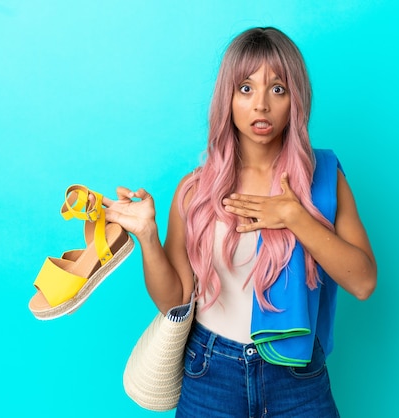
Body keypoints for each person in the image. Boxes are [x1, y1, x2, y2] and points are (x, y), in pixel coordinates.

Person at [103, 26, 376, 418]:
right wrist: (148, 237)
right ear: (227, 99)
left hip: (297, 377)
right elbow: (175, 301)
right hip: (210, 371)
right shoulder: (195, 190)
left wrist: (294, 216)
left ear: (295, 99)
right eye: (246, 88)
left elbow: (364, 282)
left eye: (277, 89)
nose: (261, 105)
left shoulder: (325, 177)